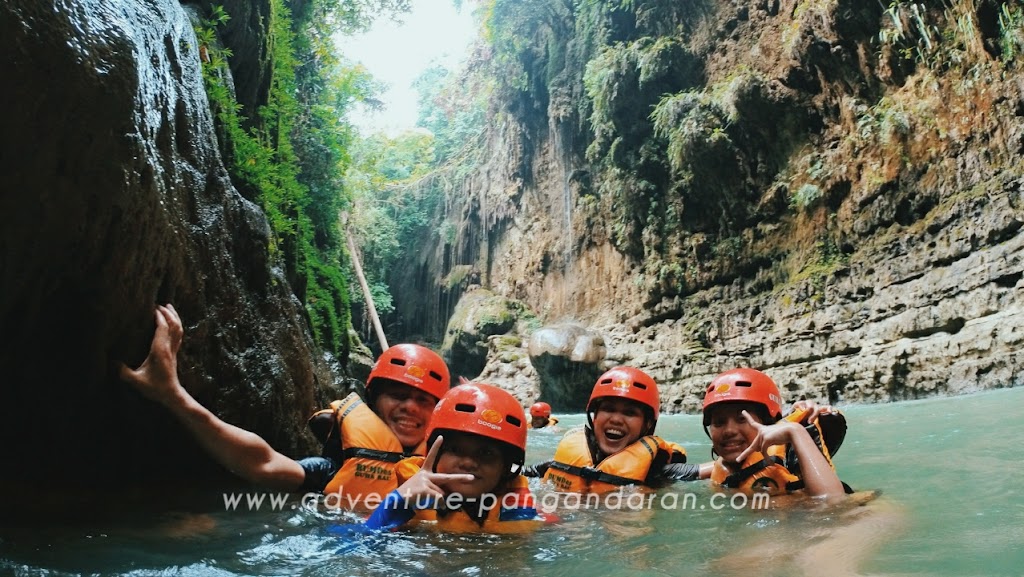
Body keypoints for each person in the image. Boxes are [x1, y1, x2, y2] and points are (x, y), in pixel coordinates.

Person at [119, 304, 450, 506]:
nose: (410, 407)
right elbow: (261, 463)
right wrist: (174, 395)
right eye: (398, 396)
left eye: (423, 401)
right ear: (374, 400)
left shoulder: (456, 472)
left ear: (439, 411)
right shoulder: (333, 471)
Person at [363, 382, 555, 533]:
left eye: (486, 454)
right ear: (434, 454)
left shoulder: (530, 514)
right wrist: (395, 503)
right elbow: (355, 544)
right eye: (455, 449)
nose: (468, 462)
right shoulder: (405, 503)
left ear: (506, 467)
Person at [522, 366, 699, 493]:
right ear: (594, 417)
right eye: (608, 409)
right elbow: (515, 471)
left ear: (647, 424)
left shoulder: (657, 471)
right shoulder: (559, 463)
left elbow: (710, 471)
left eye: (630, 413)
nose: (615, 419)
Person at [699, 367, 849, 498]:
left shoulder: (790, 458)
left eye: (742, 419)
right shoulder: (721, 471)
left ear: (768, 423)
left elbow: (833, 503)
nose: (729, 431)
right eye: (719, 422)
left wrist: (795, 431)